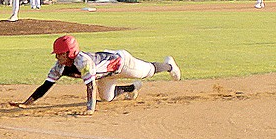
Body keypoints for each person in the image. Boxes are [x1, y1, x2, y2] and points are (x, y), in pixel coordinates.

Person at [10, 35, 181, 115]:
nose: (57, 56)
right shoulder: (60, 66)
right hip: (104, 75)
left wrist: (90, 109)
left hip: (122, 63)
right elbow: (46, 85)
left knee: (148, 72)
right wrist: (26, 103)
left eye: (60, 54)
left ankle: (169, 66)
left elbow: (90, 86)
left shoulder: (83, 62)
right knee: (107, 98)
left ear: (70, 53)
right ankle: (132, 88)